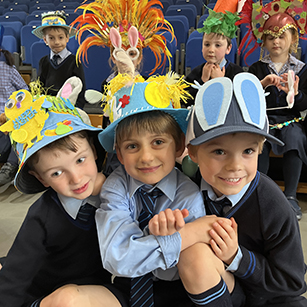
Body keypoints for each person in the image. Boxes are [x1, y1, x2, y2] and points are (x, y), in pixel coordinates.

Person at [92, 72, 238, 307]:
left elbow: (191, 264)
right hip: (126, 289)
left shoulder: (187, 194)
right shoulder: (116, 187)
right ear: (119, 154)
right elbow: (117, 258)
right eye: (132, 146)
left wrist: (159, 242)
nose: (146, 157)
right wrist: (181, 237)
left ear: (179, 145)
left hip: (179, 292)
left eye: (158, 142)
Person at [185, 72, 307, 306]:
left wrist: (236, 258)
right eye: (219, 151)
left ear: (261, 149)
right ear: (193, 152)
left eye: (248, 151)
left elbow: (292, 283)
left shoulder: (272, 203)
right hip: (218, 292)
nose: (235, 166)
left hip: (270, 298)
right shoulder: (185, 189)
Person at [0, 85, 119, 307]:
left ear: (93, 150)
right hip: (42, 292)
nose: (76, 178)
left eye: (80, 160)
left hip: (93, 289)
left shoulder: (118, 190)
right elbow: (15, 278)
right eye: (56, 172)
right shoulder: (42, 216)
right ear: (42, 179)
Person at [71, 0, 176, 175]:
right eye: (119, 53)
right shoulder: (107, 83)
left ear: (140, 58)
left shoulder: (146, 84)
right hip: (117, 146)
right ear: (113, 57)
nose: (125, 58)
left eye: (132, 53)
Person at [238, 0, 307, 220]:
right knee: (261, 140)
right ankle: (261, 193)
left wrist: (296, 94)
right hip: (263, 119)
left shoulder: (302, 69)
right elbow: (248, 99)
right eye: (271, 37)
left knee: (295, 137)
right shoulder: (257, 68)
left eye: (281, 36)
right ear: (264, 42)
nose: (276, 41)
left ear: (293, 39)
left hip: (290, 120)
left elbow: (304, 105)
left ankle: (290, 197)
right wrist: (262, 84)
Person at [184, 9, 243, 107]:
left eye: (218, 45)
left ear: (228, 48)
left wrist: (221, 82)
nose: (211, 50)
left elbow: (238, 104)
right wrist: (203, 81)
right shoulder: (197, 72)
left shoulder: (237, 73)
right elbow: (186, 101)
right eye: (207, 44)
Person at [32, 11, 87, 109]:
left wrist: (75, 110)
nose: (57, 42)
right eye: (51, 38)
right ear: (45, 40)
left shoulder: (74, 62)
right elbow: (40, 87)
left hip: (68, 108)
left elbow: (80, 89)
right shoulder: (43, 61)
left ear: (67, 38)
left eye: (60, 37)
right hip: (48, 108)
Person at [0, 25, 29, 186]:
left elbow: (25, 92)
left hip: (10, 117)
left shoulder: (8, 69)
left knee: (18, 131)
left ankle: (10, 166)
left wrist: (12, 111)